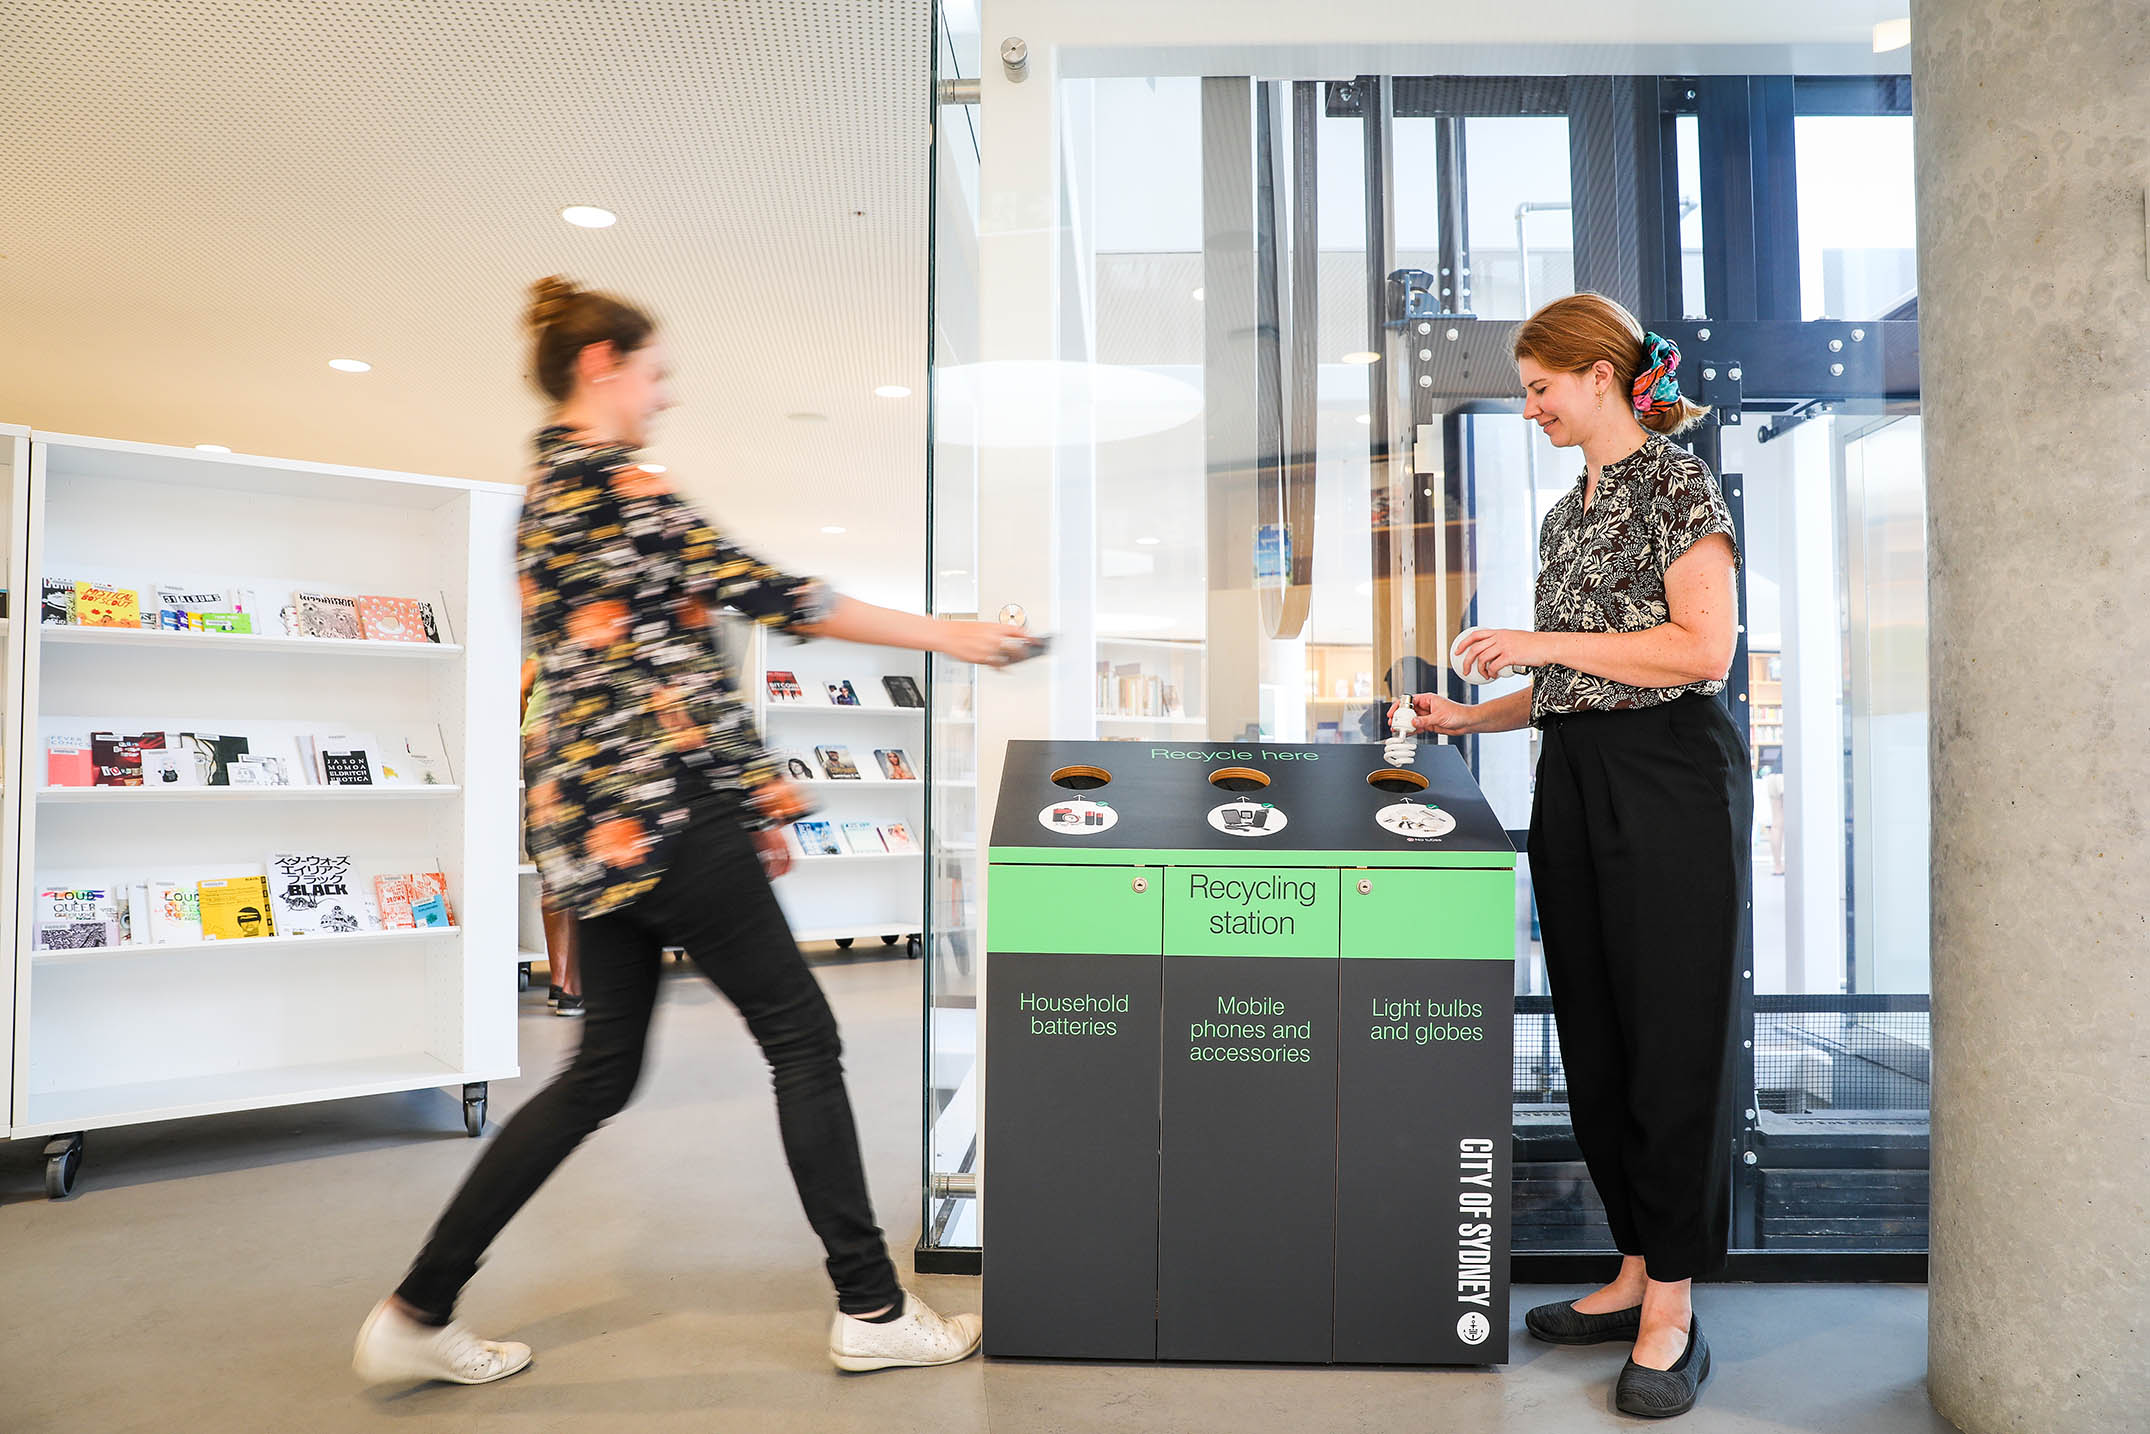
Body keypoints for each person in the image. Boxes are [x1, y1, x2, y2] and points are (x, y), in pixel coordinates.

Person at [353, 275, 1036, 1389]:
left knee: (598, 1075)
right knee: (802, 1041)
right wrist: (948, 636)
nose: (663, 396)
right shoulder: (619, 488)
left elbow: (659, 660)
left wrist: (760, 792)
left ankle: (417, 1309)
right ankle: (868, 1305)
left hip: (594, 831)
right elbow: (773, 595)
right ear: (600, 366)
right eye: (653, 372)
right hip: (667, 817)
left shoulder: (544, 497)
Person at [1394, 292, 1748, 1420]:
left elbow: (1701, 649)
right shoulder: (1565, 511)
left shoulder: (1673, 481)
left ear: (1599, 376)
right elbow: (1568, 684)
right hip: (1577, 773)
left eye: (1541, 386)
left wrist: (1537, 641)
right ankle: (1633, 1266)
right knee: (1595, 1031)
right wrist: (1470, 718)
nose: (1531, 406)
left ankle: (1673, 1305)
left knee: (1668, 1035)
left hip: (1669, 779)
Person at [521, 654, 583, 1017]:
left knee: (555, 872)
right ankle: (571, 986)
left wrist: (529, 719)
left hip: (542, 742)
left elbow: (521, 684)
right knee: (578, 869)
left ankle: (562, 983)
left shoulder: (547, 643)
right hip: (570, 745)